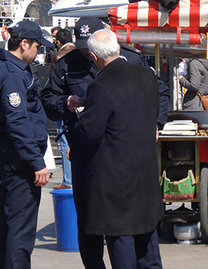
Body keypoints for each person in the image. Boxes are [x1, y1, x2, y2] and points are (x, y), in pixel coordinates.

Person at [41, 16, 170, 268]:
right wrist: (64, 103)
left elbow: (160, 93)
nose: (86, 53)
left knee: (124, 225)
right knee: (89, 223)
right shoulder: (66, 64)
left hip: (120, 158)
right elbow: (48, 98)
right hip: (85, 158)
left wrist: (155, 125)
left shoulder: (132, 61)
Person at [73, 28, 163, 269]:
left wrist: (81, 117)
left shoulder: (101, 85)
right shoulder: (146, 75)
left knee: (121, 240)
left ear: (94, 57)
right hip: (144, 170)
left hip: (114, 177)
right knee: (147, 239)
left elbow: (89, 133)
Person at [0, 20, 53, 269]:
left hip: (10, 156)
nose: (38, 52)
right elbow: (18, 122)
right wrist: (36, 162)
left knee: (11, 224)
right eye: (36, 46)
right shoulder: (12, 74)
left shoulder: (0, 68)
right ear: (24, 44)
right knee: (21, 230)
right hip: (20, 160)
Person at [48, 28, 75, 190]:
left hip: (63, 103)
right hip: (77, 103)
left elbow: (53, 84)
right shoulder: (79, 53)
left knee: (64, 142)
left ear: (58, 41)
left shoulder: (58, 57)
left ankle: (68, 180)